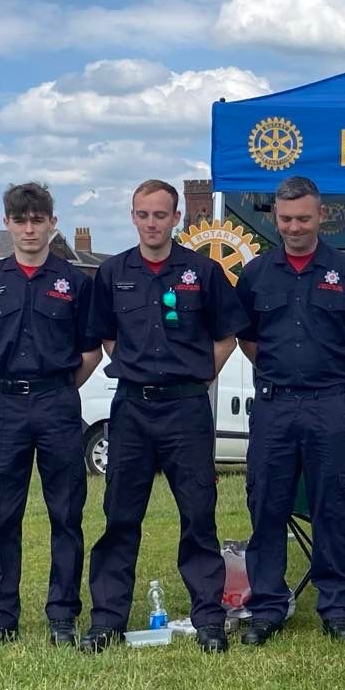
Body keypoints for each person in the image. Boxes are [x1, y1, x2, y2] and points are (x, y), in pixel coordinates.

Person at [85, 179, 247, 653]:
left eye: (161, 214)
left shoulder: (203, 271)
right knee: (119, 516)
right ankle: (107, 618)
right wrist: (140, 371)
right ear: (133, 217)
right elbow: (107, 338)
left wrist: (195, 378)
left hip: (186, 408)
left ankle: (209, 619)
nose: (152, 223)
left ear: (176, 218)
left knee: (198, 515)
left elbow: (227, 338)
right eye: (143, 214)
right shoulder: (113, 273)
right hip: (133, 408)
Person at [236, 175, 345, 644]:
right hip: (275, 407)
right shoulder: (257, 273)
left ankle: (336, 607)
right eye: (285, 219)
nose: (294, 227)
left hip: (329, 406)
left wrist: (332, 378)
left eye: (303, 218)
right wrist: (284, 378)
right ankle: (267, 607)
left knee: (334, 507)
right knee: (267, 506)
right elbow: (248, 338)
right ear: (274, 218)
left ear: (321, 216)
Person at [0, 182, 101, 651]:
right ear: (7, 223)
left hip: (58, 403)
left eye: (37, 220)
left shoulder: (75, 281)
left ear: (52, 223)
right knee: (0, 513)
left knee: (66, 512)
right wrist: (9, 384)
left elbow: (90, 350)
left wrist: (56, 389)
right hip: (5, 405)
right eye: (20, 220)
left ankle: (63, 614)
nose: (29, 229)